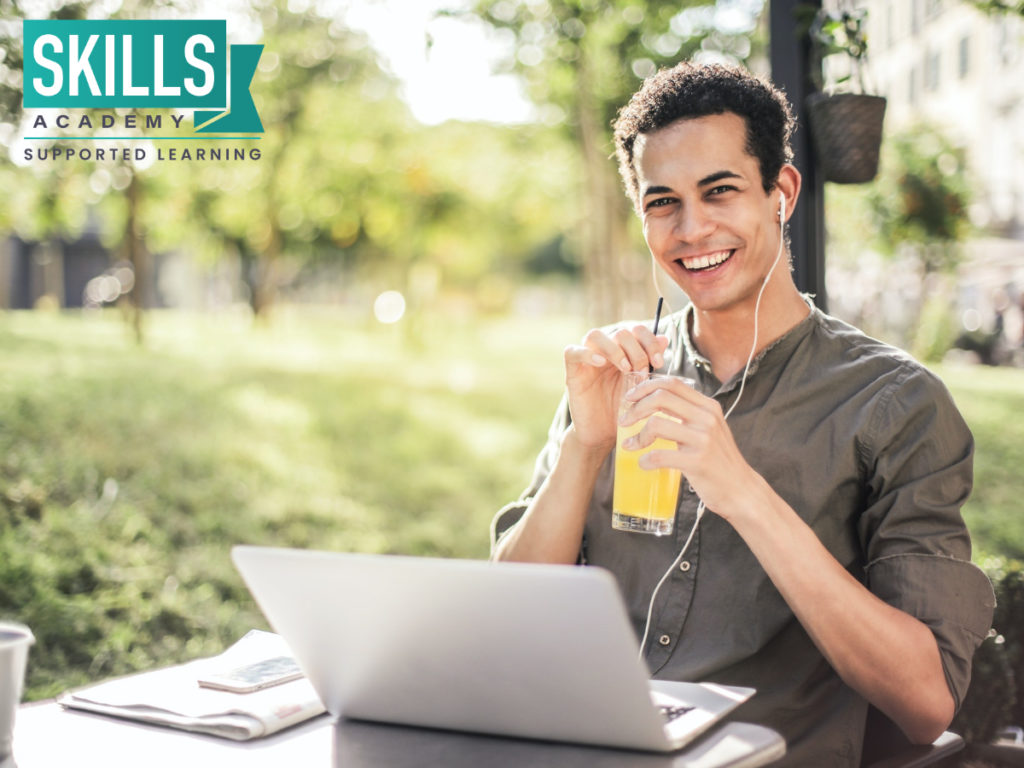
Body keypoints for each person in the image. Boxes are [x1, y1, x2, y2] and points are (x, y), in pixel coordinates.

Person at [490, 63, 994, 766]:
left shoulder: (894, 405)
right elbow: (505, 622)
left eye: (719, 191)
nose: (693, 230)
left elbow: (925, 702)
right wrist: (584, 446)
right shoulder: (616, 377)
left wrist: (741, 491)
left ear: (780, 193)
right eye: (662, 202)